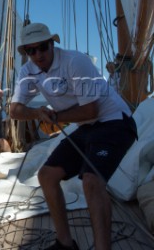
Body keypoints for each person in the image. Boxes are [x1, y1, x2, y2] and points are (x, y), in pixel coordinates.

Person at [9, 22, 137, 250]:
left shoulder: (74, 61)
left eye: (42, 47)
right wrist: (36, 112)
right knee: (47, 175)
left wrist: (54, 116)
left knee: (91, 180)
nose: (38, 54)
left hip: (115, 121)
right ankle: (65, 243)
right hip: (87, 127)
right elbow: (15, 110)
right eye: (31, 50)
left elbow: (91, 110)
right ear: (26, 52)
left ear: (52, 44)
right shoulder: (28, 71)